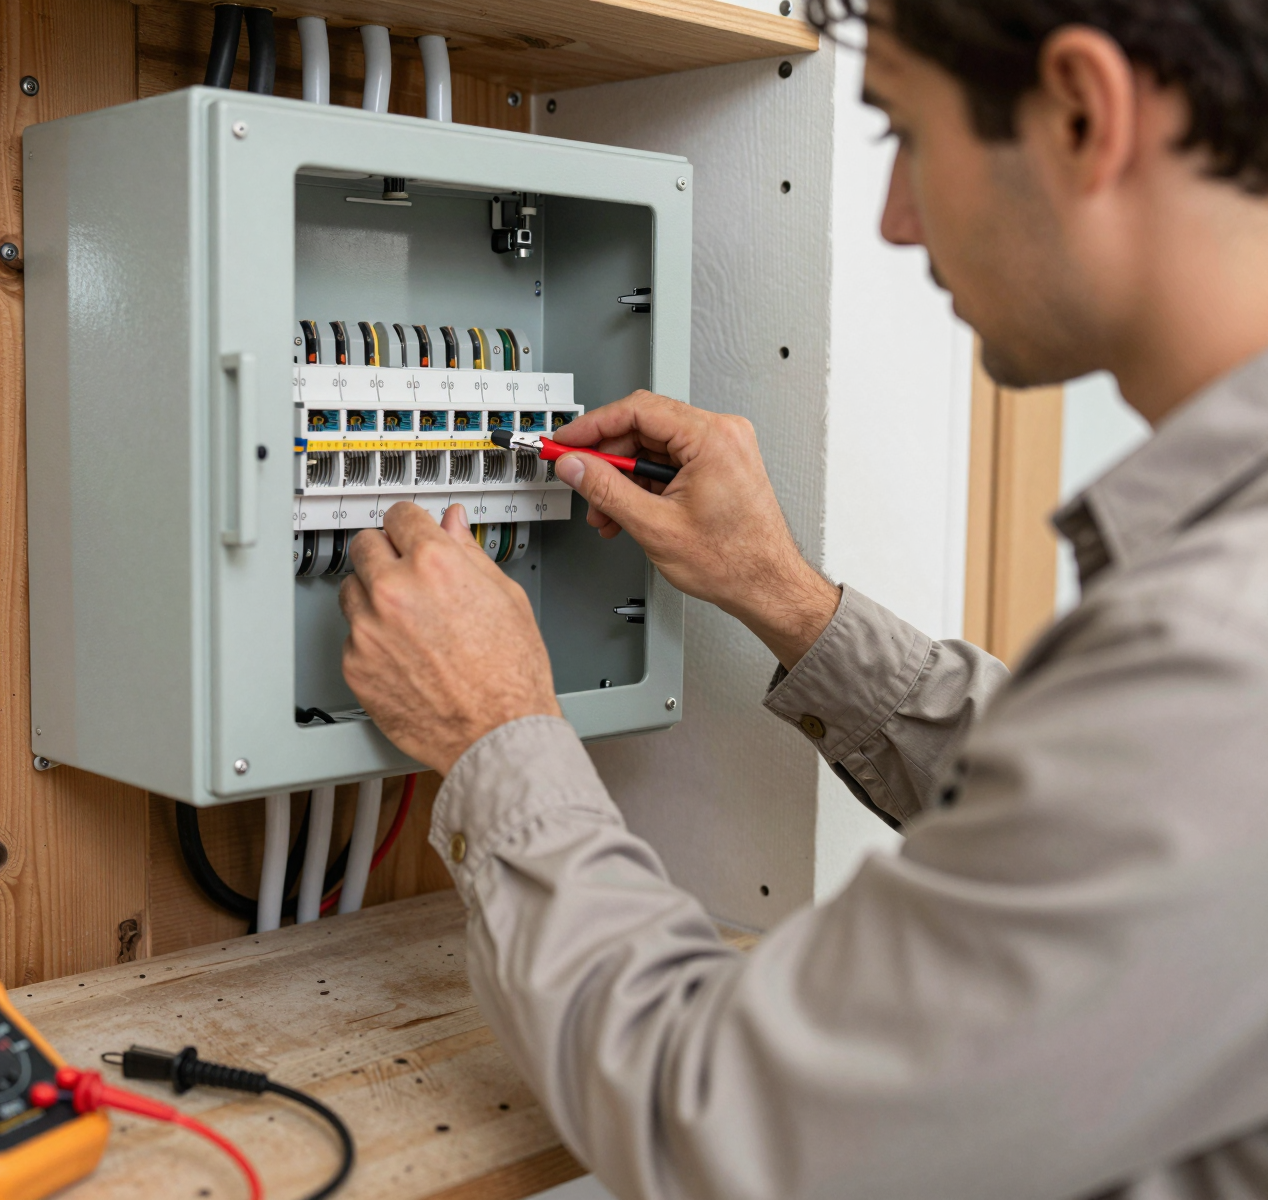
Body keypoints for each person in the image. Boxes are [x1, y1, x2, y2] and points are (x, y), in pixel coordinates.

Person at [337, 1, 1268, 1196]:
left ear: (1086, 112)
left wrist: (495, 734)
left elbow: (721, 1118)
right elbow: (1110, 822)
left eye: (904, 135)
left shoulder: (1221, 644)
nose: (890, 219)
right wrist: (783, 597)